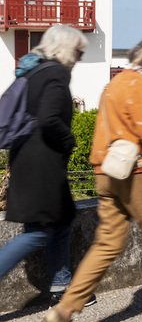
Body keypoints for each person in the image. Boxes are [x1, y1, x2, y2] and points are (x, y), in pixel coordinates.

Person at [45, 38, 142, 322]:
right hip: (136, 172)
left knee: (108, 243)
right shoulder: (141, 85)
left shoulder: (115, 83)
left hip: (106, 170)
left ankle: (65, 308)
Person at [0, 25, 94, 307]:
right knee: (38, 232)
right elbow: (49, 119)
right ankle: (61, 287)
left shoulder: (34, 71)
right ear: (67, 49)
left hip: (27, 161)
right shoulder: (55, 73)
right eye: (78, 51)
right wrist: (70, 141)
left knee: (62, 222)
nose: (79, 58)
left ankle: (61, 286)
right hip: (42, 166)